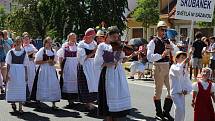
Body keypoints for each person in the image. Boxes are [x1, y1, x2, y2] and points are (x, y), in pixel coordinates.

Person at [95, 26, 132, 121]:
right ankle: (108, 116)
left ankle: (115, 115)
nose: (116, 39)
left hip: (118, 72)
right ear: (108, 36)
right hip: (108, 73)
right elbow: (97, 62)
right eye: (114, 37)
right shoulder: (102, 46)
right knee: (108, 95)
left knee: (117, 93)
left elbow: (122, 60)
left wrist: (131, 56)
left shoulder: (119, 46)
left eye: (117, 37)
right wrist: (108, 63)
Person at [147, 21, 174, 120]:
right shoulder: (153, 41)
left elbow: (175, 51)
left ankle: (166, 112)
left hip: (168, 66)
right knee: (158, 92)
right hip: (158, 66)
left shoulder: (168, 40)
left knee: (172, 90)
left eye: (165, 30)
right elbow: (149, 57)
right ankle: (159, 113)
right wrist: (161, 55)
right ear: (157, 30)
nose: (164, 31)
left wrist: (172, 48)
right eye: (162, 29)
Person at [31, 37, 61, 110]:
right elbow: (36, 61)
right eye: (48, 42)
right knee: (42, 84)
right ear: (45, 43)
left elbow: (55, 61)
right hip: (43, 70)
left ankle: (53, 103)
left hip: (51, 70)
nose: (50, 44)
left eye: (51, 42)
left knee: (53, 84)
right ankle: (39, 101)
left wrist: (53, 62)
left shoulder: (53, 51)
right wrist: (46, 61)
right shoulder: (42, 50)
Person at [5, 36, 29, 113]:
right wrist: (7, 74)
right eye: (17, 41)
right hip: (13, 71)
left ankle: (20, 108)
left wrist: (26, 74)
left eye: (19, 41)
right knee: (13, 87)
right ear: (14, 42)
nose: (18, 42)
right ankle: (13, 102)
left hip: (21, 71)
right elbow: (8, 64)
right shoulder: (11, 52)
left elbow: (25, 65)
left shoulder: (24, 52)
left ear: (21, 42)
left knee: (21, 88)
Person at [77, 28, 98, 111]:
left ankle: (90, 102)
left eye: (93, 36)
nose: (93, 38)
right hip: (85, 66)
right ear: (87, 36)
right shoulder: (81, 45)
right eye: (91, 36)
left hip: (92, 65)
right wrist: (93, 52)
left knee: (93, 83)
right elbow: (82, 59)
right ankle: (87, 103)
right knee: (86, 84)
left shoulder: (94, 43)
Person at [169, 51, 192, 121]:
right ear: (176, 59)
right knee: (179, 108)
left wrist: (186, 89)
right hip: (175, 92)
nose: (184, 59)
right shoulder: (173, 67)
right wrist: (185, 62)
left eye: (184, 58)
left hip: (182, 93)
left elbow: (186, 80)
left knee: (182, 111)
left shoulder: (184, 69)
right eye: (182, 57)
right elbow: (178, 71)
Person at [57, 33, 78, 107]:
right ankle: (70, 101)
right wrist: (61, 68)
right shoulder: (65, 46)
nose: (73, 39)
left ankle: (75, 99)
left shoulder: (77, 46)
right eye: (72, 38)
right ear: (68, 38)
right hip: (68, 66)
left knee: (76, 83)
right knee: (68, 83)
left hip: (76, 66)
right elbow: (60, 58)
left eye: (74, 38)